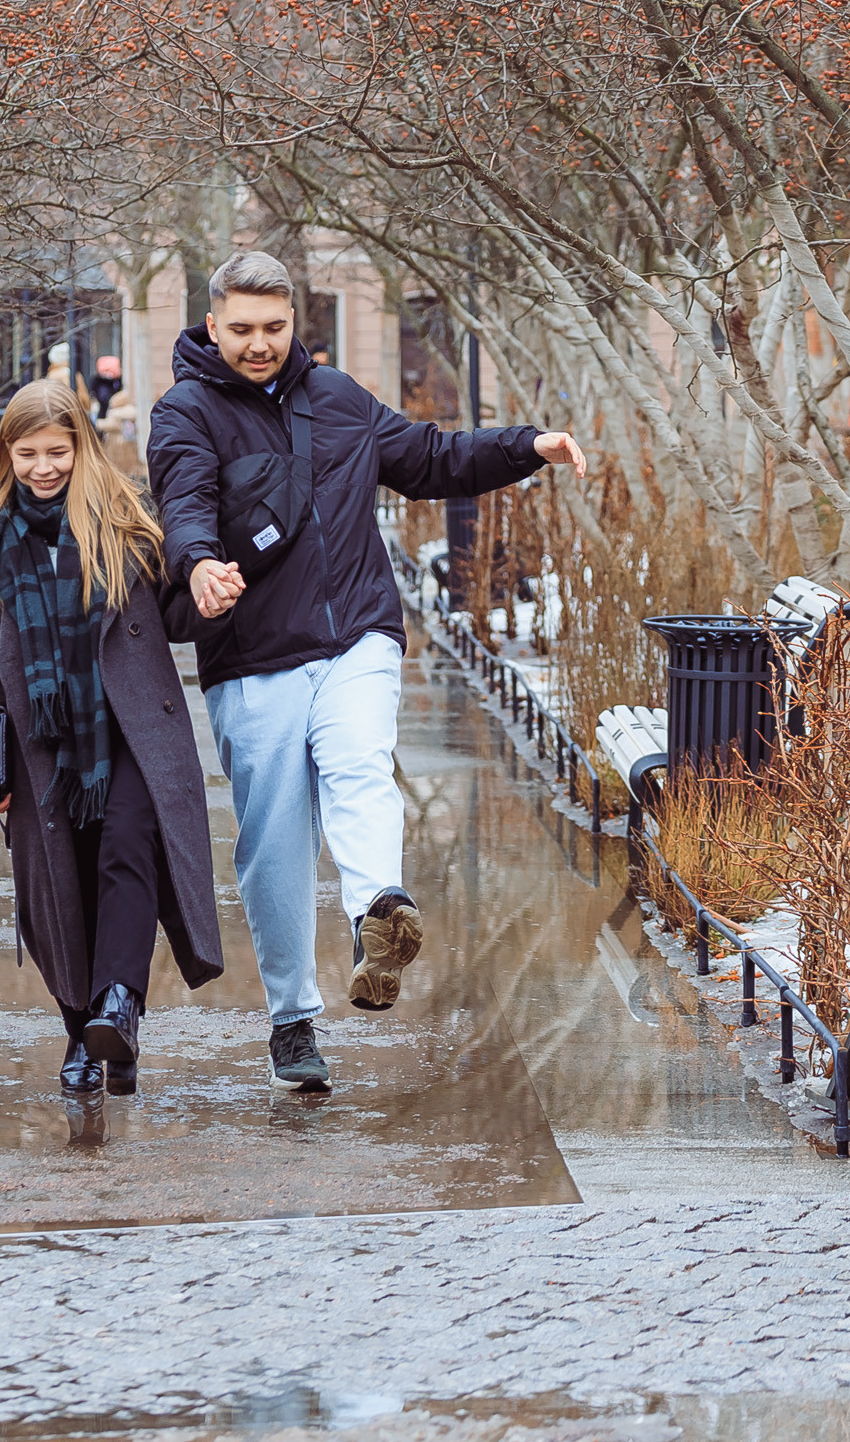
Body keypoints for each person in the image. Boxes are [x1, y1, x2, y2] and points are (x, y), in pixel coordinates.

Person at [148, 248, 585, 1097]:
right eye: (242, 329)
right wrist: (198, 563)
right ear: (212, 325)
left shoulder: (339, 398)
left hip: (357, 634)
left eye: (275, 327)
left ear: (296, 322)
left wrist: (527, 445)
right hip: (254, 655)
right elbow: (185, 500)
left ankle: (377, 910)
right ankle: (292, 1019)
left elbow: (431, 458)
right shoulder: (186, 412)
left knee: (358, 765)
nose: (260, 343)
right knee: (275, 846)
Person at [0, 376, 223, 1143]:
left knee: (128, 851)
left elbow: (176, 611)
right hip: (44, 744)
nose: (44, 467)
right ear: (7, 456)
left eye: (57, 451)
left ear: (82, 448)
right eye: (28, 454)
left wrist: (208, 587)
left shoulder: (125, 521)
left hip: (128, 730)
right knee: (60, 888)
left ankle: (116, 1008)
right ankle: (85, 1032)